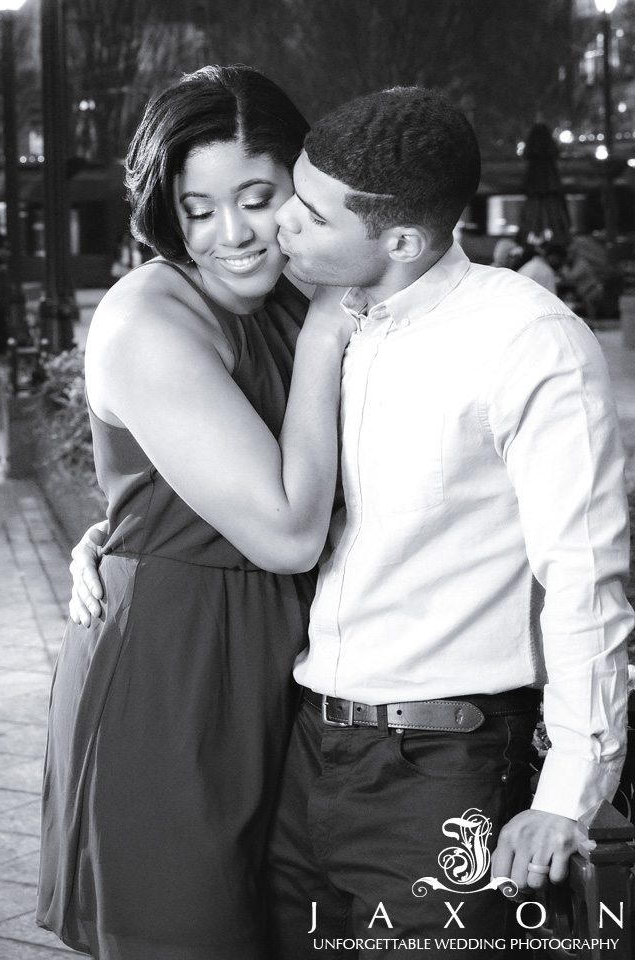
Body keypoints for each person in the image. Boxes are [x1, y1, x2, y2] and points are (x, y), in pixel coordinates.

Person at [69, 86, 633, 959]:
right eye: (201, 208)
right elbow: (181, 485)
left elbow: (585, 572)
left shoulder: (501, 336)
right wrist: (120, 537)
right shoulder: (317, 308)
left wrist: (568, 789)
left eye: (276, 203)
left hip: (426, 751)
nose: (261, 231)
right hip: (264, 712)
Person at [36, 64, 354, 960]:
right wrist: (331, 325)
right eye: (198, 207)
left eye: (258, 197)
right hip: (176, 676)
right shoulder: (151, 318)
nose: (234, 234)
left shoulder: (301, 290)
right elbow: (289, 531)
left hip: (298, 672)